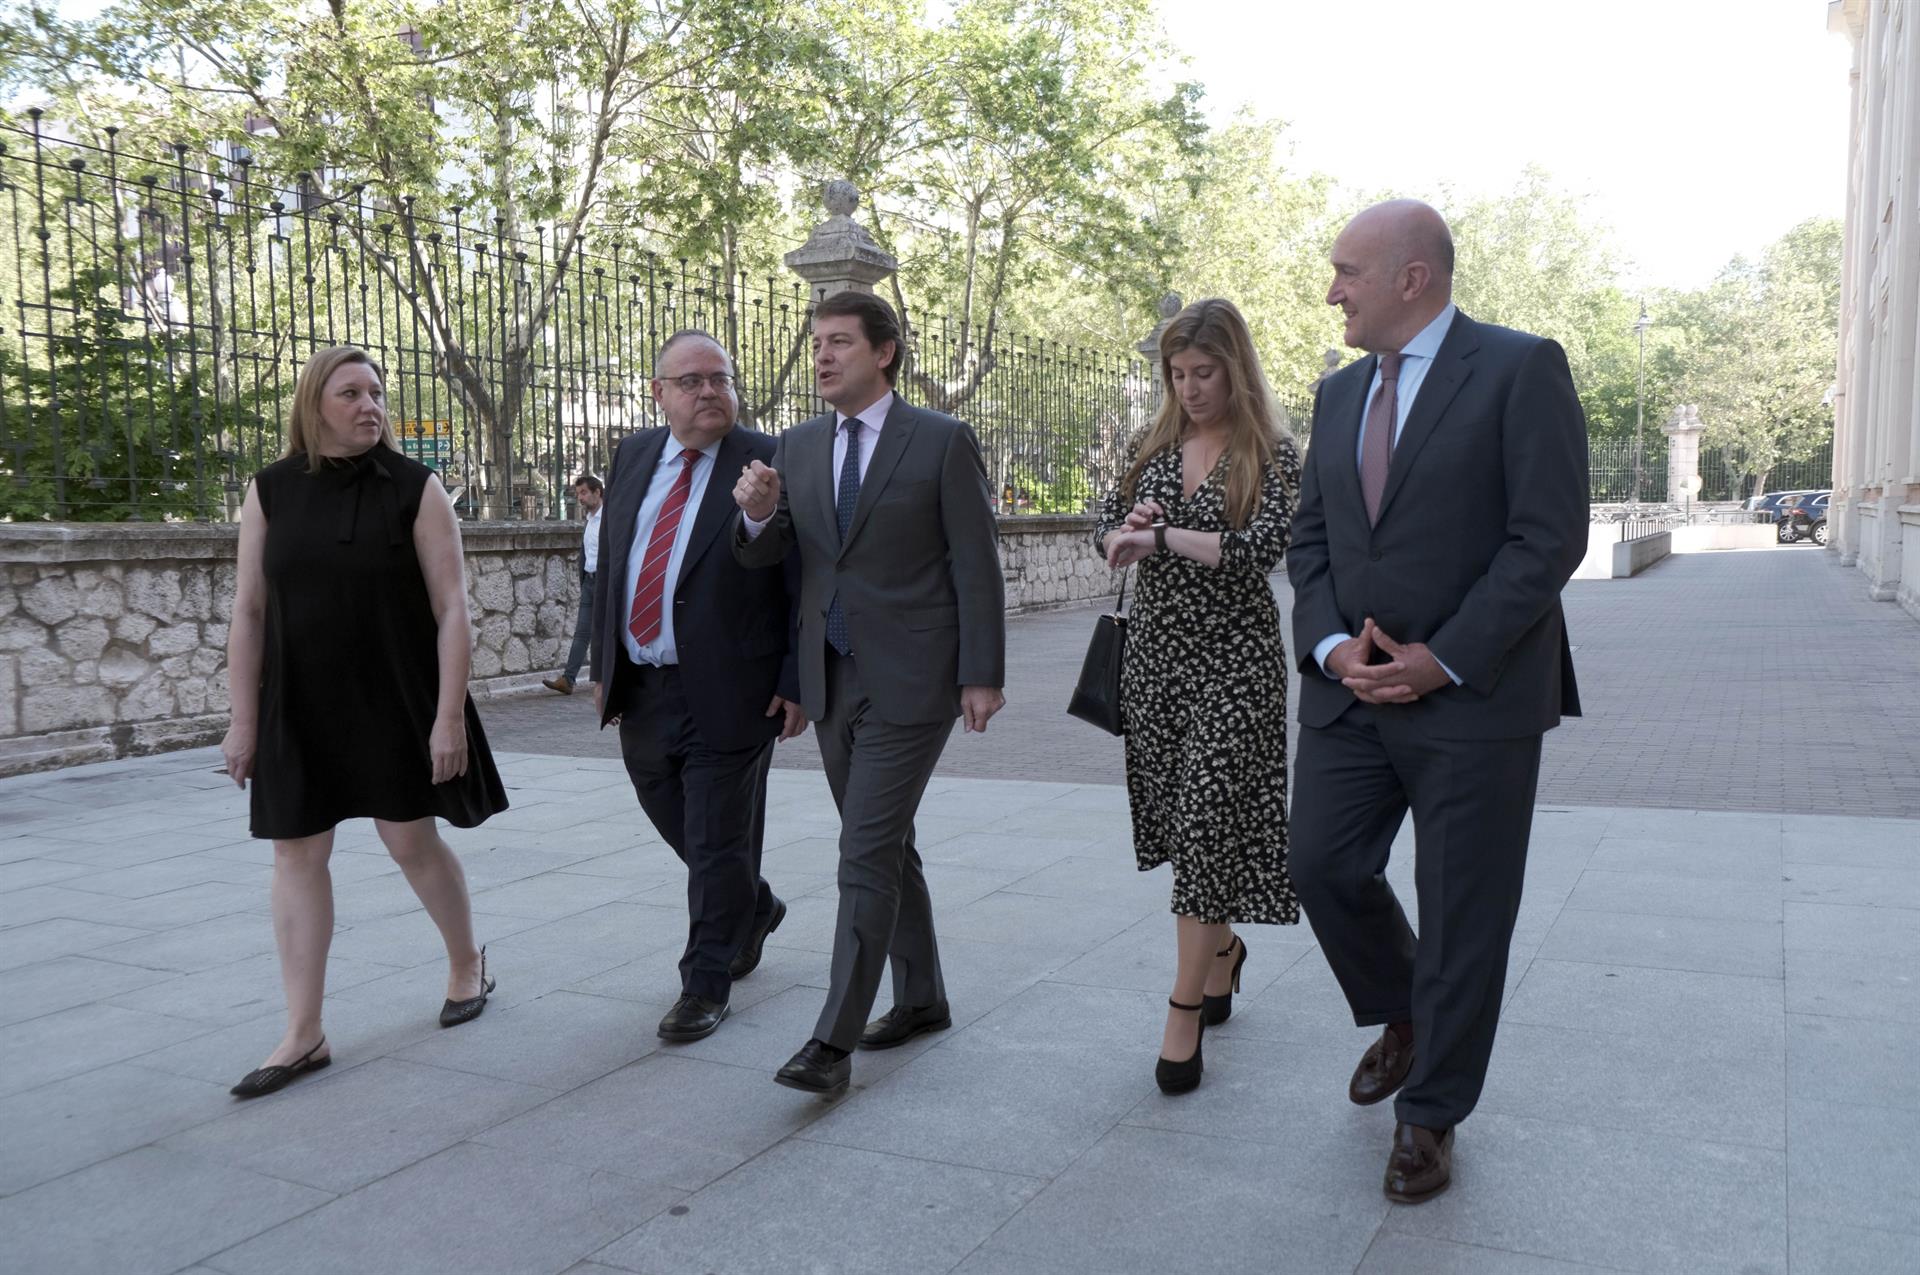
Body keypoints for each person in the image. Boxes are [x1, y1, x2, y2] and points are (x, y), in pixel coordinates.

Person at [1286, 200, 1588, 1202]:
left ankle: (1431, 1115)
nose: (1332, 290)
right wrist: (1331, 646)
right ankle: (1407, 1013)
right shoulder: (1334, 398)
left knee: (1466, 917)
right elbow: (1313, 543)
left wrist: (1442, 659)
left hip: (1476, 698)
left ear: (1412, 278)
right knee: (1321, 865)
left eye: (1346, 272)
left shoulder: (1518, 367)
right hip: (1350, 696)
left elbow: (1546, 539)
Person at [732, 289, 1005, 1095]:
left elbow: (974, 561)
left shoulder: (942, 440)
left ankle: (832, 1038)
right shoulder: (800, 444)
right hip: (831, 675)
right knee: (885, 843)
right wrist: (756, 518)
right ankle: (921, 997)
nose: (822, 355)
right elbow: (783, 561)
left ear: (884, 351)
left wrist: (981, 672)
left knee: (862, 851)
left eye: (840, 341)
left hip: (916, 678)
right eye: (817, 342)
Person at [220, 345, 508, 1099]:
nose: (368, 404)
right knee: (295, 853)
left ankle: (465, 961)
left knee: (409, 837)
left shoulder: (417, 488)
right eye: (350, 392)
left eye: (376, 391)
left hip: (393, 695)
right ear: (314, 403)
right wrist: (242, 720)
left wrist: (449, 717)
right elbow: (248, 610)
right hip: (299, 701)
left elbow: (453, 610)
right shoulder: (270, 491)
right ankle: (303, 1030)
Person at [1093, 297, 1303, 1096]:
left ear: (1236, 368)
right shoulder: (1154, 446)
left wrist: (1164, 536)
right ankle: (1221, 951)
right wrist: (1127, 526)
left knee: (1213, 816)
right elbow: (1107, 529)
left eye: (1204, 372)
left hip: (1237, 663)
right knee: (1186, 826)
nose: (1189, 388)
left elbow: (1262, 548)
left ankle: (1183, 1009)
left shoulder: (1273, 453)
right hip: (1156, 662)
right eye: (1177, 374)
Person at [590, 330, 806, 1042]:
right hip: (645, 687)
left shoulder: (771, 460)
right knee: (670, 813)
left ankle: (703, 984)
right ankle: (756, 904)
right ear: (660, 393)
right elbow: (616, 565)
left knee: (716, 842)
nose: (708, 391)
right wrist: (604, 667)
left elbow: (799, 576)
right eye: (690, 381)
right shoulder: (632, 456)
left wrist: (793, 677)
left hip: (736, 687)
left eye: (719, 377)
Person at [543, 473, 604, 695]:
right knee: (582, 632)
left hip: (606, 583)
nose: (580, 498)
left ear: (597, 492)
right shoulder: (589, 520)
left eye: (584, 492)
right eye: (578, 493)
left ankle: (609, 678)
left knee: (608, 633)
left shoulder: (611, 518)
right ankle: (568, 679)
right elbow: (587, 553)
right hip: (590, 581)